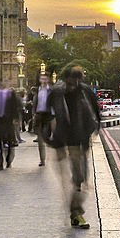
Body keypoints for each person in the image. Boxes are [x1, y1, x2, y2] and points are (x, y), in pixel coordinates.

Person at [46, 66, 101, 229]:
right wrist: (49, 139)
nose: (74, 85)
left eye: (78, 81)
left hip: (80, 140)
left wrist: (93, 129)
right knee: (71, 180)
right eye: (71, 82)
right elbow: (44, 115)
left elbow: (95, 112)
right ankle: (76, 213)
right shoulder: (56, 93)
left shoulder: (85, 91)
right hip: (62, 142)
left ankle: (75, 210)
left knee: (81, 179)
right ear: (65, 80)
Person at [0, 80, 21, 170]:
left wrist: (15, 118)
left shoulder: (11, 94)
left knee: (9, 141)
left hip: (8, 121)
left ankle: (9, 160)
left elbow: (14, 106)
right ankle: (0, 163)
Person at [32, 73, 53, 166]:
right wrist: (33, 114)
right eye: (42, 79)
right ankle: (42, 160)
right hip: (39, 115)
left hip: (48, 116)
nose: (43, 80)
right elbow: (34, 103)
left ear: (48, 80)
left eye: (45, 79)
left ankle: (52, 156)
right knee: (40, 139)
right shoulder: (37, 91)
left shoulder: (51, 90)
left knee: (47, 137)